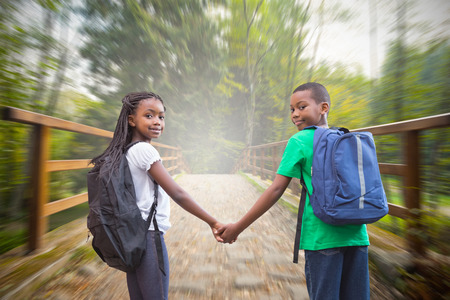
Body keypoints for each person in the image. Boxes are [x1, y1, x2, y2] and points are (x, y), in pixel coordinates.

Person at [218, 82, 370, 300]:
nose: (295, 114)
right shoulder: (346, 138)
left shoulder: (299, 140)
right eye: (292, 109)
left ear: (323, 107)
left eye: (302, 107)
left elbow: (276, 189)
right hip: (357, 235)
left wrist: (237, 228)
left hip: (322, 237)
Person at [90, 92, 224, 300]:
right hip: (149, 234)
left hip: (133, 234)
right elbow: (177, 193)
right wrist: (212, 221)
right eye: (149, 115)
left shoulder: (127, 150)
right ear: (131, 120)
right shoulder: (145, 150)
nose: (157, 122)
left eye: (161, 117)